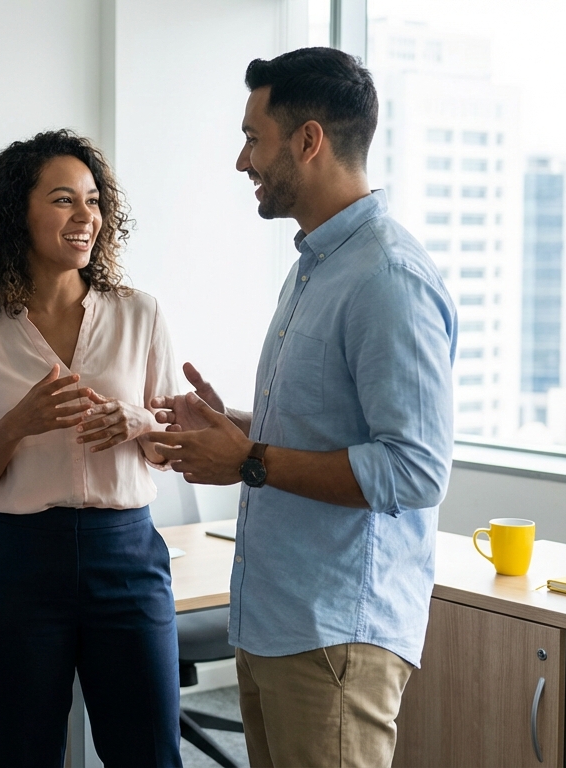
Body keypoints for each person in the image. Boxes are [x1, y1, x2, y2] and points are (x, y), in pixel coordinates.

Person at [144, 48, 457, 768]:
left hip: (337, 635)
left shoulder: (387, 278)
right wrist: (238, 429)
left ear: (308, 140)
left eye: (254, 137)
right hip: (277, 624)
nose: (241, 160)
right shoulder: (316, 266)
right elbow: (332, 430)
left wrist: (249, 460)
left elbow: (413, 471)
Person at [0, 129, 184, 767]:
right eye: (63, 200)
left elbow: (175, 439)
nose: (86, 217)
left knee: (151, 755)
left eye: (94, 200)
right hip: (19, 565)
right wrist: (17, 423)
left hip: (125, 556)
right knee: (23, 755)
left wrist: (137, 420)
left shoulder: (140, 314)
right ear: (17, 212)